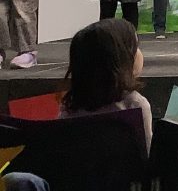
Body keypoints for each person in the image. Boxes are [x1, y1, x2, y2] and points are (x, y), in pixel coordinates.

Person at [59, 18, 153, 151]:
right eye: (136, 47)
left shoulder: (69, 106)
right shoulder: (135, 104)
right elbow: (145, 152)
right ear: (121, 59)